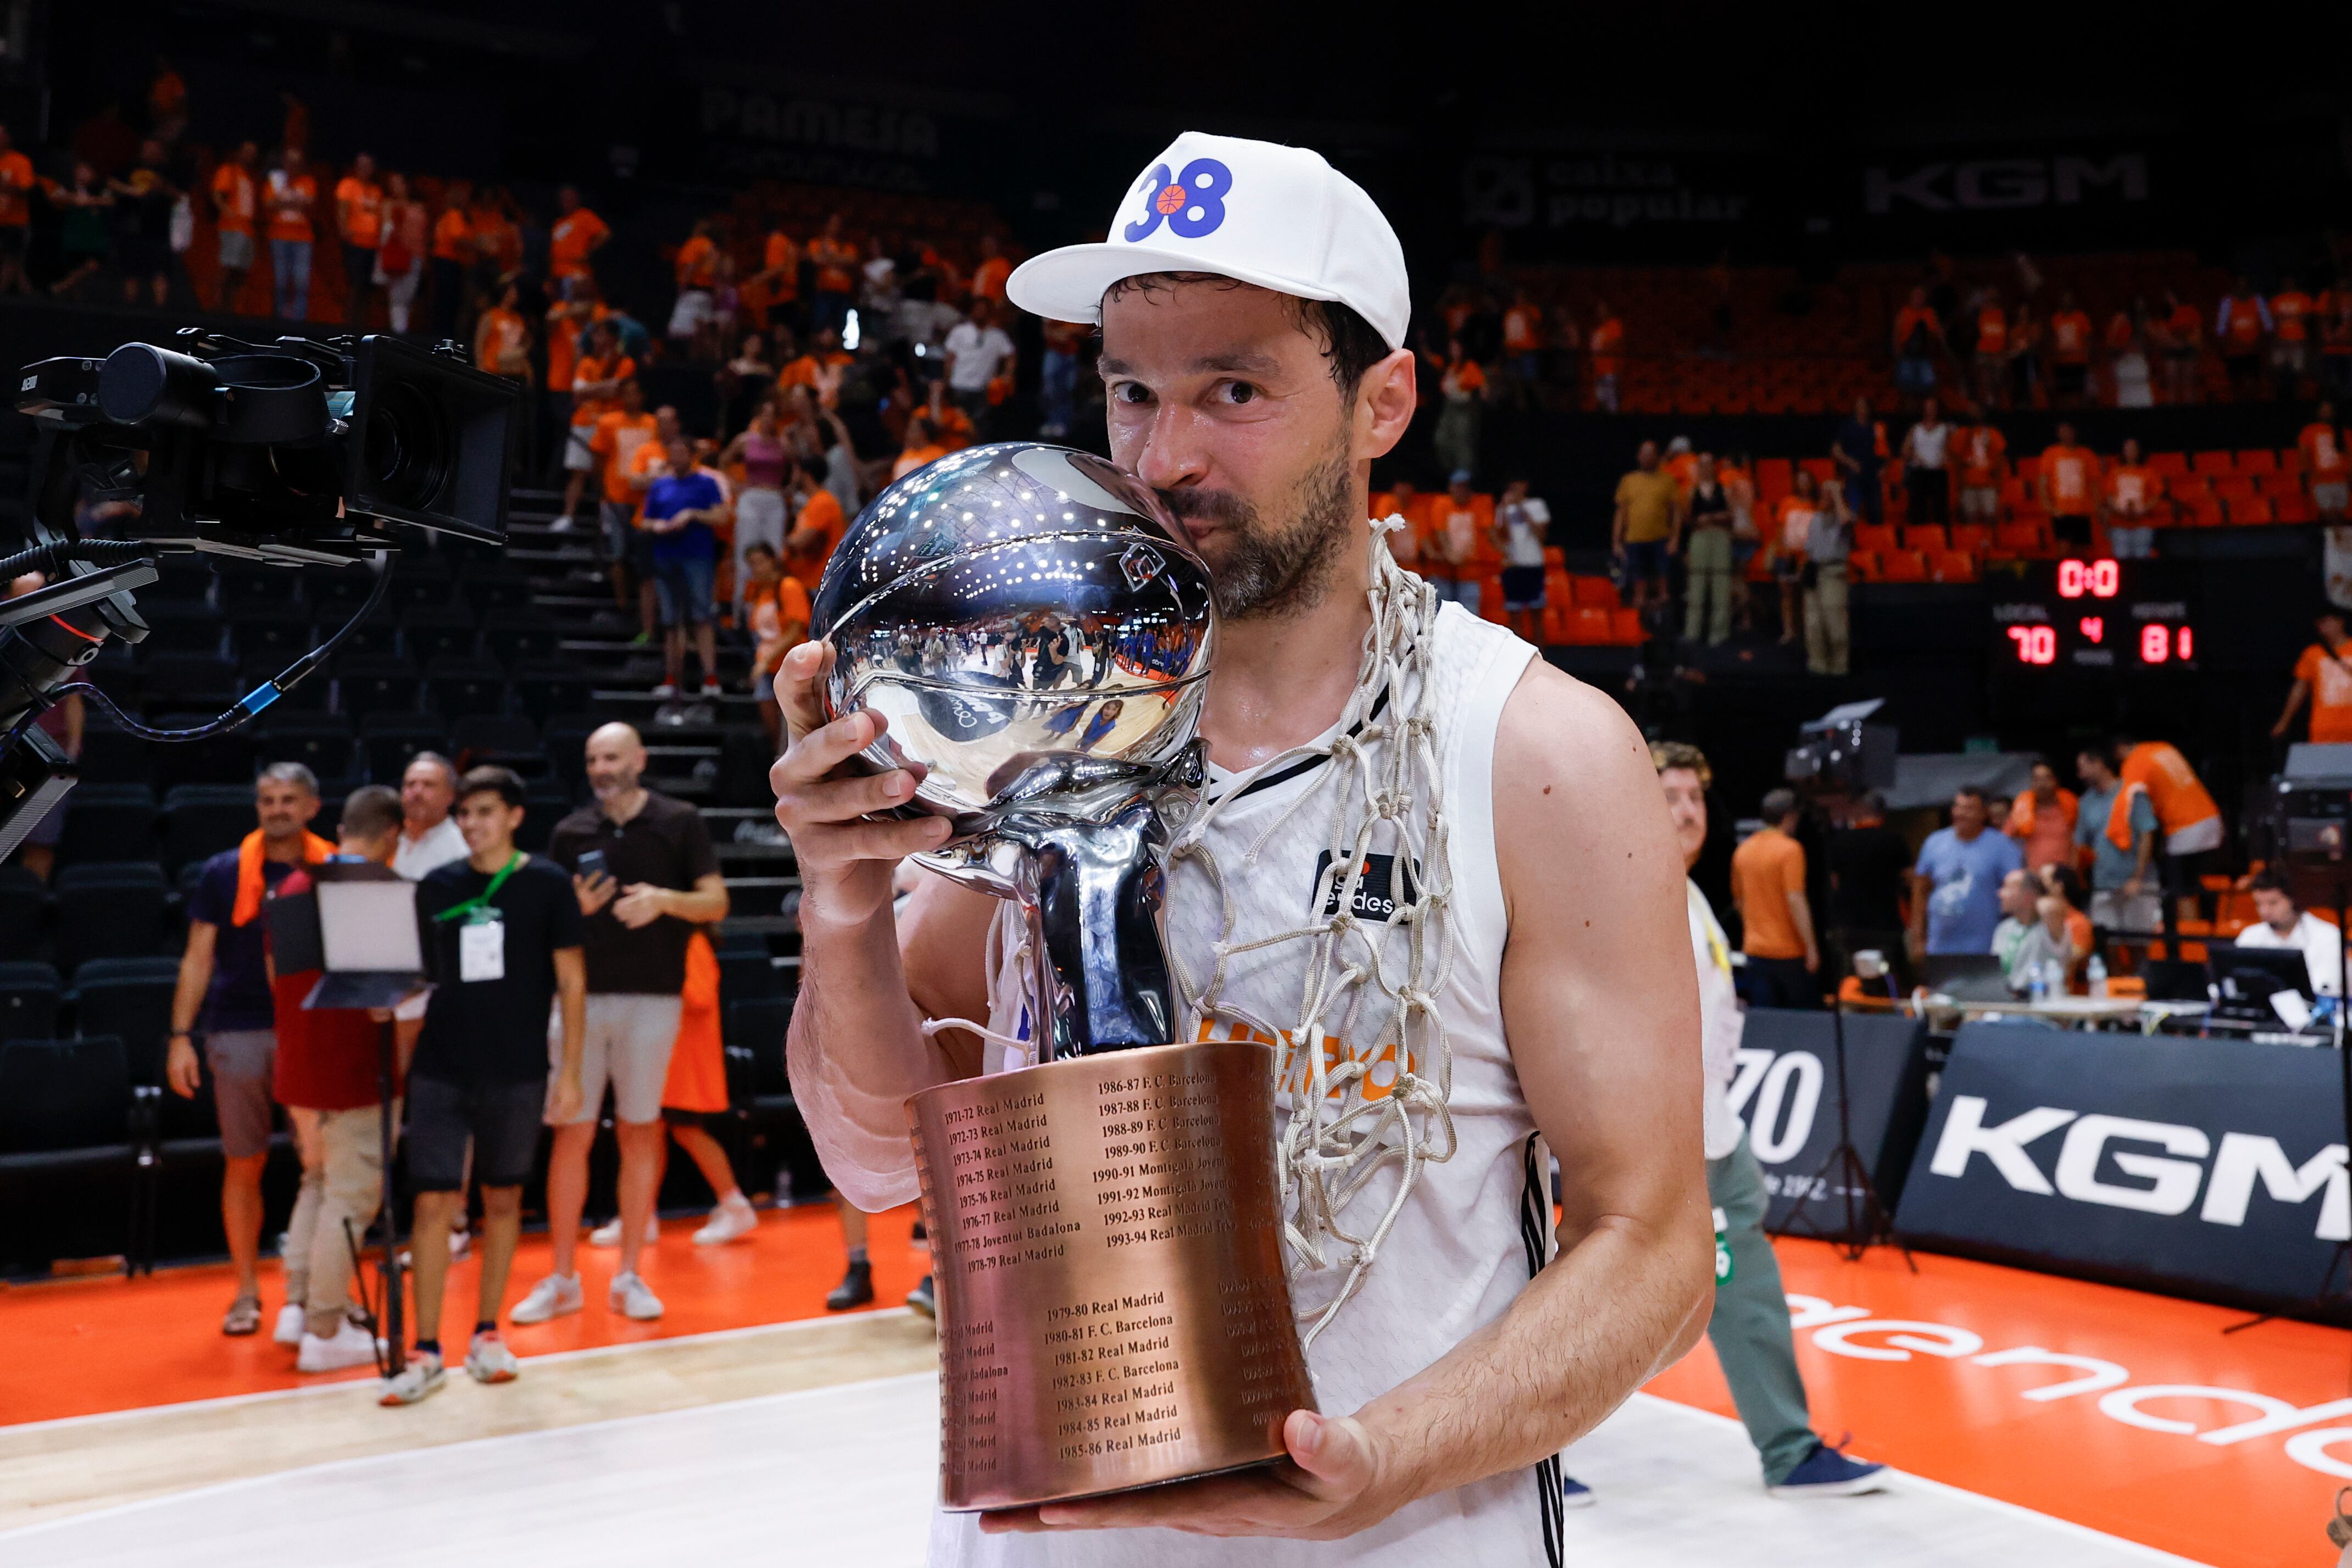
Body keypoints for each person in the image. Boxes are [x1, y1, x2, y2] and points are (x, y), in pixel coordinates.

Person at [785, 130, 1712, 1554]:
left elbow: (1653, 1253)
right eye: (1134, 391)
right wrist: (840, 904)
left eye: (1237, 389)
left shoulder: (1536, 751)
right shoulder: (1025, 705)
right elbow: (873, 1162)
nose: (1167, 458)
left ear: (1382, 401)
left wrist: (1381, 1455)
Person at [1643, 744, 1889, 1499]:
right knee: (1594, 1291)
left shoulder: (1687, 896)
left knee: (1736, 1279)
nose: (1687, 810)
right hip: (1662, 1140)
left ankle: (1789, 1447)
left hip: (1711, 1129)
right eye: (1670, 793)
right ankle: (1526, 1452)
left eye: (1695, 795)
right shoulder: (1629, 900)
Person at [380, 768, 586, 1404]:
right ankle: (426, 1350)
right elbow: (416, 975)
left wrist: (571, 1072)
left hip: (519, 1067)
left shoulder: (549, 884)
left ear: (515, 815)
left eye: (485, 811)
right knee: (432, 1204)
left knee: (502, 1200)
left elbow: (573, 983)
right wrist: (378, 994)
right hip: (442, 1065)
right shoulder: (436, 884)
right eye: (465, 813)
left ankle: (488, 1334)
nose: (472, 823)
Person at [521, 725, 728, 1327]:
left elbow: (715, 902)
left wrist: (665, 900)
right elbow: (545, 929)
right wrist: (573, 911)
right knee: (572, 1134)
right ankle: (562, 1277)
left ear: (639, 759)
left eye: (611, 756)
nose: (601, 767)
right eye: (592, 758)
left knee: (642, 1132)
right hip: (580, 1002)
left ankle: (630, 1274)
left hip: (654, 1000)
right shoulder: (569, 832)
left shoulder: (679, 820)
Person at [166, 764, 335, 1337]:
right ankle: (245, 1291)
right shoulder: (223, 872)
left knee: (322, 1166)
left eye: (289, 799)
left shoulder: (332, 869)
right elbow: (197, 957)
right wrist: (179, 1038)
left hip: (310, 1031)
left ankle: (311, 1291)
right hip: (237, 1031)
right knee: (244, 1162)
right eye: (267, 799)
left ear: (312, 806)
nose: (277, 808)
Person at [268, 784, 405, 1373]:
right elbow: (381, 999)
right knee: (350, 1193)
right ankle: (325, 1327)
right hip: (352, 1068)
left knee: (319, 1182)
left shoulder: (299, 883)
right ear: (392, 837)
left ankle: (298, 1305)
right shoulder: (369, 890)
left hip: (301, 1061)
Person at [641, 432, 726, 698]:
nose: (676, 458)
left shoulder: (706, 483)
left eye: (681, 453)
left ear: (692, 456)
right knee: (670, 621)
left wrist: (693, 515)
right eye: (672, 454)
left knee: (701, 617)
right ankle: (671, 680)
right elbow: (644, 520)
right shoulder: (659, 485)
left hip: (697, 557)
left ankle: (710, 679)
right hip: (666, 556)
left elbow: (722, 516)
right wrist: (657, 525)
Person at [1908, 785, 2024, 959]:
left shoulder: (2002, 847)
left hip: (1986, 947)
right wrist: (1917, 938)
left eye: (1969, 809)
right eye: (1957, 807)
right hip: (1939, 946)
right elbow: (1920, 891)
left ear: (1984, 814)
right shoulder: (1934, 843)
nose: (1961, 813)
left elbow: (2018, 893)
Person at [1730, 788, 1817, 1008]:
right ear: (1790, 817)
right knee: (1800, 1023)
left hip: (1755, 951)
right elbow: (1795, 899)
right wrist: (1811, 948)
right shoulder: (1790, 850)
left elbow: (1739, 902)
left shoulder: (1743, 851)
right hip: (1789, 952)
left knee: (1766, 1020)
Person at [590, 376, 659, 641]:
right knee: (618, 554)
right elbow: (597, 458)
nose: (631, 398)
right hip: (616, 497)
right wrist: (604, 491)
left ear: (642, 396)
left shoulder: (652, 424)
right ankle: (622, 606)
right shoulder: (609, 422)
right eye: (626, 394)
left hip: (644, 501)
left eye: (636, 393)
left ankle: (644, 616)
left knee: (643, 560)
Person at [1825, 790, 1911, 987]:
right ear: (1882, 814)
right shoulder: (1894, 840)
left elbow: (1835, 882)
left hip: (1849, 926)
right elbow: (1908, 879)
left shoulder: (1840, 842)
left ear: (1856, 813)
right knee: (1887, 982)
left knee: (1852, 982)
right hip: (1887, 925)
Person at [2075, 742, 2160, 936]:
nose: (2080, 775)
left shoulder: (2133, 793)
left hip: (2139, 885)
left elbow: (2147, 834)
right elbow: (2080, 845)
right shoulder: (2085, 802)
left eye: (2082, 768)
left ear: (2098, 763)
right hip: (2103, 886)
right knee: (2107, 944)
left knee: (2140, 943)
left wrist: (2137, 878)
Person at [720, 399, 791, 618]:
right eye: (766, 414)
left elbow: (796, 466)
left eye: (773, 415)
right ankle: (741, 610)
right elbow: (723, 461)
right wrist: (734, 485)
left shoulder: (783, 443)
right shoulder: (745, 440)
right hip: (750, 497)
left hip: (774, 498)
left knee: (774, 553)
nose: (769, 419)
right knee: (746, 553)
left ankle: (772, 606)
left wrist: (789, 488)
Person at [2237, 869, 2346, 998]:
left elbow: (2324, 988)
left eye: (2273, 903)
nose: (2264, 911)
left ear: (2293, 899)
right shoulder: (2249, 936)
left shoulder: (2328, 936)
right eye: (2258, 904)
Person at [744, 541, 810, 739]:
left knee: (796, 728)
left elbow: (795, 630)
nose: (756, 569)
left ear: (772, 561)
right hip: (767, 669)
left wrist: (766, 660)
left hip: (792, 667)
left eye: (759, 562)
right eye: (751, 564)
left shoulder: (789, 587)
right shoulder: (759, 592)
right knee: (772, 728)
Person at [1613, 438, 1681, 611]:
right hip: (1634, 539)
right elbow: (1621, 513)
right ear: (1638, 457)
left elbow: (1677, 514)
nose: (1647, 457)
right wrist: (1616, 541)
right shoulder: (1629, 480)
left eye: (1651, 454)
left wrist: (1674, 540)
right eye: (1644, 454)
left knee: (1662, 576)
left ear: (1658, 457)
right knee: (1638, 578)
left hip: (1660, 539)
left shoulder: (1668, 480)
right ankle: (1639, 614)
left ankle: (1663, 612)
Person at [108, 139, 177, 308]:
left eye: (155, 149)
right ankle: (129, 309)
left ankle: (160, 311)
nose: (150, 152)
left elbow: (179, 194)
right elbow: (111, 182)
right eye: (147, 148)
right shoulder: (130, 167)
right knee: (131, 272)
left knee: (160, 272)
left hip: (158, 229)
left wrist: (161, 187)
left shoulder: (168, 170)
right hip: (133, 227)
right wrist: (130, 191)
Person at [1801, 477, 1853, 676]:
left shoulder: (1846, 517)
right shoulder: (1815, 518)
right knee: (1813, 623)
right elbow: (1809, 549)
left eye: (1830, 492)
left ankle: (1839, 667)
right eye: (1824, 491)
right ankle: (1817, 665)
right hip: (1815, 572)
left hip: (1833, 572)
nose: (1826, 495)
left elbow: (1845, 520)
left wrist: (1838, 495)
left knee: (1835, 623)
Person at [1682, 455, 1734, 646]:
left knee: (1721, 585)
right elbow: (1687, 518)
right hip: (1700, 537)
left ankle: (1719, 634)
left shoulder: (1724, 490)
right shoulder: (1692, 491)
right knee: (1696, 585)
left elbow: (1731, 515)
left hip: (1719, 538)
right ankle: (1692, 632)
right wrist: (1698, 521)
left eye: (1709, 464)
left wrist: (1714, 517)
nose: (1706, 468)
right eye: (1702, 465)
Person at [943, 297, 1015, 431]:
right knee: (959, 426)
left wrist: (1007, 375)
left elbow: (1010, 355)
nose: (981, 313)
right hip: (959, 386)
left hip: (982, 389)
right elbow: (949, 358)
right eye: (978, 309)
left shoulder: (998, 336)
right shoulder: (959, 332)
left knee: (980, 427)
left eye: (984, 310)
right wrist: (947, 382)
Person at [1426, 469, 1492, 615]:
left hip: (1470, 573)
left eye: (1465, 487)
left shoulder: (1480, 504)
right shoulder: (1441, 504)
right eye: (1458, 486)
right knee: (1439, 616)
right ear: (1451, 488)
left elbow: (1488, 532)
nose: (1462, 491)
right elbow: (1440, 532)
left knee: (1470, 617)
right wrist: (1451, 555)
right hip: (1443, 573)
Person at [394, 752, 468, 878]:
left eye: (428, 785)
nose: (417, 792)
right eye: (410, 784)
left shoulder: (462, 848)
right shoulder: (388, 839)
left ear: (450, 795)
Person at [1493, 477, 1548, 645]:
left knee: (1536, 616)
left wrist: (1523, 510)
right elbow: (1502, 537)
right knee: (1514, 616)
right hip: (1513, 566)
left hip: (1533, 565)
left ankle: (1542, 659)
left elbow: (1542, 536)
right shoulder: (1504, 509)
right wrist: (1504, 508)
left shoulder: (1537, 505)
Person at [1769, 469, 1820, 647]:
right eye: (1800, 480)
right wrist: (1782, 551)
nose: (1803, 484)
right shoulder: (1787, 503)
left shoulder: (1817, 505)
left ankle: (1807, 631)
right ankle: (1789, 631)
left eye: (1807, 480)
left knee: (1806, 596)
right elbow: (1780, 530)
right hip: (1787, 556)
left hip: (1808, 559)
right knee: (1787, 596)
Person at [264, 147, 316, 321]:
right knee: (281, 280)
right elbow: (269, 203)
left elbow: (309, 203)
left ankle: (298, 321)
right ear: (284, 163)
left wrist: (285, 201)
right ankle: (279, 318)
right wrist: (295, 201)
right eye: (290, 162)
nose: (293, 166)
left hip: (303, 238)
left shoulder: (308, 182)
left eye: (297, 162)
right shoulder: (275, 180)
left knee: (302, 281)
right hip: (279, 235)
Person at [2005, 759, 2079, 877]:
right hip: (2034, 880)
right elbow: (2006, 841)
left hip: (2064, 878)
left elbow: (2078, 844)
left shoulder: (2071, 806)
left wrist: (2073, 874)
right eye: (2036, 779)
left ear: (2056, 780)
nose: (2041, 784)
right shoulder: (2023, 808)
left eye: (2046, 778)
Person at [374, 170, 426, 332]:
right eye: (393, 184)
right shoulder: (388, 205)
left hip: (415, 257)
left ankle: (402, 331)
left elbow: (423, 234)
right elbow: (386, 232)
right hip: (397, 257)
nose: (395, 187)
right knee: (397, 299)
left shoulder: (418, 207)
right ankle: (399, 334)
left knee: (409, 299)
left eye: (399, 183)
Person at [333, 152, 381, 328]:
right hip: (355, 243)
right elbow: (342, 211)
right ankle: (349, 325)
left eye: (368, 166)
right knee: (355, 284)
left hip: (373, 245)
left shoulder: (376, 190)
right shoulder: (348, 185)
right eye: (361, 165)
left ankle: (362, 325)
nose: (365, 170)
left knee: (367, 288)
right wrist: (346, 233)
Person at [2038, 422, 2098, 551]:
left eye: (2069, 431)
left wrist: (2097, 506)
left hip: (2082, 511)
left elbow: (2094, 484)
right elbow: (2043, 483)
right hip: (2061, 511)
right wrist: (2050, 507)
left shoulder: (2087, 455)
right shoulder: (2050, 454)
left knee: (2082, 550)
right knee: (2063, 549)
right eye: (2063, 431)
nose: (2066, 435)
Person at [1898, 395, 1952, 527]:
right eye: (1928, 407)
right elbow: (1904, 451)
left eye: (1933, 407)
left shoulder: (1945, 429)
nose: (1930, 410)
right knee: (1918, 510)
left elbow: (1951, 451)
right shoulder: (1916, 429)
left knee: (1940, 510)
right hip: (1919, 473)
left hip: (1937, 473)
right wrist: (1913, 455)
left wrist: (1946, 457)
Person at [548, 184, 608, 298]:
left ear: (577, 199)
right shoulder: (558, 223)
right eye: (563, 199)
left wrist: (588, 252)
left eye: (569, 198)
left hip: (574, 274)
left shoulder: (584, 216)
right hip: (557, 274)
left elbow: (604, 234)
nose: (566, 201)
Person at [2218, 277, 2271, 402]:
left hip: (2254, 351)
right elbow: (2221, 328)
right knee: (2236, 385)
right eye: (2239, 285)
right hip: (2234, 352)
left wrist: (2262, 344)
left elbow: (2268, 325)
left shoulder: (2258, 301)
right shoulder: (2227, 302)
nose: (2242, 289)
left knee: (2254, 383)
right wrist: (2224, 347)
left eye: (2244, 285)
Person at [1832, 396, 1883, 524]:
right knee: (1853, 512)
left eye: (1864, 406)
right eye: (1859, 406)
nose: (1862, 409)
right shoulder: (1848, 427)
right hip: (1855, 475)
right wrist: (1850, 462)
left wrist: (1884, 467)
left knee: (1875, 513)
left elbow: (1885, 451)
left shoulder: (1877, 427)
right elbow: (1836, 450)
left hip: (1873, 476)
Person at [2104, 437, 2158, 559]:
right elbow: (2109, 496)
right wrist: (2120, 511)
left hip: (2143, 523)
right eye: (2128, 449)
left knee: (2142, 557)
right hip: (2120, 524)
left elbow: (2156, 496)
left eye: (2134, 449)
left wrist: (2143, 511)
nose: (2131, 452)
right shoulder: (2115, 472)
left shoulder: (2149, 472)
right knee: (2122, 558)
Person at [0, 124, 35, 296]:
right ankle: (33, 300)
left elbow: (26, 188)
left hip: (15, 223)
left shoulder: (20, 161)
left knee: (11, 260)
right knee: (14, 266)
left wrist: (6, 186)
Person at [1891, 286, 1942, 399]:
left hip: (1925, 357)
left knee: (1929, 387)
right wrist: (1898, 354)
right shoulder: (1904, 313)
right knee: (1906, 389)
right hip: (1907, 356)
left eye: (1921, 296)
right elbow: (1896, 335)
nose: (1918, 298)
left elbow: (1939, 335)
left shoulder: (1930, 313)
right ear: (1911, 298)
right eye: (1916, 296)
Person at [1990, 868, 2043, 980]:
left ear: (2028, 895)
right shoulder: (2004, 928)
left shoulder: (2049, 928)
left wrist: (2036, 901)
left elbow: (2050, 908)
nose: (2000, 894)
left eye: (2007, 887)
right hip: (2004, 995)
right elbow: (1995, 974)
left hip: (2039, 995)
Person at [1956, 418, 2008, 526]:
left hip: (1989, 484)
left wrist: (1998, 481)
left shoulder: (1992, 434)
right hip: (1969, 485)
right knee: (1970, 518)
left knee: (1991, 517)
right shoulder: (1962, 433)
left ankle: (1992, 541)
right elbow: (1956, 459)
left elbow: (2000, 459)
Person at [2304, 402, 2349, 525]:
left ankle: (2340, 537)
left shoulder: (2344, 432)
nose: (2326, 413)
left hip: (2341, 480)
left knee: (2340, 513)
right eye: (2324, 410)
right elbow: (2304, 454)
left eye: (2329, 410)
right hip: (2320, 481)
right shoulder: (2310, 432)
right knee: (2328, 513)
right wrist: (2308, 473)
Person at [2158, 288, 2204, 407]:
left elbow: (2196, 332)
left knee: (2188, 384)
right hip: (2171, 351)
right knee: (2171, 384)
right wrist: (2175, 342)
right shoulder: (2164, 315)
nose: (2169, 300)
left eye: (2171, 297)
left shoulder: (2190, 311)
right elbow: (2163, 336)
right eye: (2167, 298)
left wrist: (2188, 342)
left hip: (2189, 350)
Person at [2048, 291, 2094, 408]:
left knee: (2079, 392)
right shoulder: (2056, 318)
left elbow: (2088, 338)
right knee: (2064, 394)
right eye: (2065, 299)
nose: (2067, 302)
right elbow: (2053, 339)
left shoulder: (2081, 317)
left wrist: (2087, 355)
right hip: (2062, 362)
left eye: (2069, 299)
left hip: (2078, 361)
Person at [2273, 276, 2316, 398]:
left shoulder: (2303, 299)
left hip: (2298, 341)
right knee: (2280, 371)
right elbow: (2274, 321)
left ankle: (2298, 399)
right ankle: (2281, 399)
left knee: (2298, 372)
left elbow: (2307, 318)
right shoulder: (2277, 300)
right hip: (2281, 342)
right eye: (2286, 282)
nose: (2289, 284)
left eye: (2291, 281)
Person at [1588, 301, 1625, 412]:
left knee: (1612, 404)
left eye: (1603, 309)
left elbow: (1616, 343)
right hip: (1599, 372)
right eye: (1599, 310)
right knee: (1601, 402)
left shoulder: (1614, 325)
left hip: (1610, 371)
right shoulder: (1598, 331)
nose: (1601, 312)